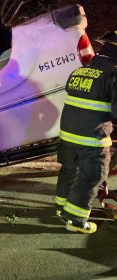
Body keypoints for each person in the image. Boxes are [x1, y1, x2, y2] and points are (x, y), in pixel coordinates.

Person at [54, 30, 117, 234]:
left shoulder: (80, 70)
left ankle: (61, 206)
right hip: (91, 137)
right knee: (94, 174)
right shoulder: (113, 74)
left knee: (69, 170)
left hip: (68, 134)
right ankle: (75, 219)